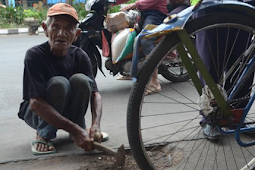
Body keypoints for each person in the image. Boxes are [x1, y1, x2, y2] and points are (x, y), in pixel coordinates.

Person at [17, 3, 105, 155]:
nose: (61, 33)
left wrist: (95, 125)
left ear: (76, 34)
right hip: (37, 114)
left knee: (82, 80)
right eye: (56, 26)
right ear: (45, 29)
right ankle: (44, 134)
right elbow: (35, 103)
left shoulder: (80, 55)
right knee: (60, 83)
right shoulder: (34, 55)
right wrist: (75, 130)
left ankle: (79, 128)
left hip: (66, 111)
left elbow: (95, 94)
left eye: (68, 28)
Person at [194, 0, 255, 140]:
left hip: (243, 5)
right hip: (210, 5)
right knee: (210, 67)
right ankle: (210, 118)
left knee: (242, 66)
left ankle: (236, 116)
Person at [120, 0, 168, 95]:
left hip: (156, 14)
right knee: (130, 35)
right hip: (144, 12)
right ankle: (132, 71)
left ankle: (155, 83)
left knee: (146, 40)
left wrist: (134, 5)